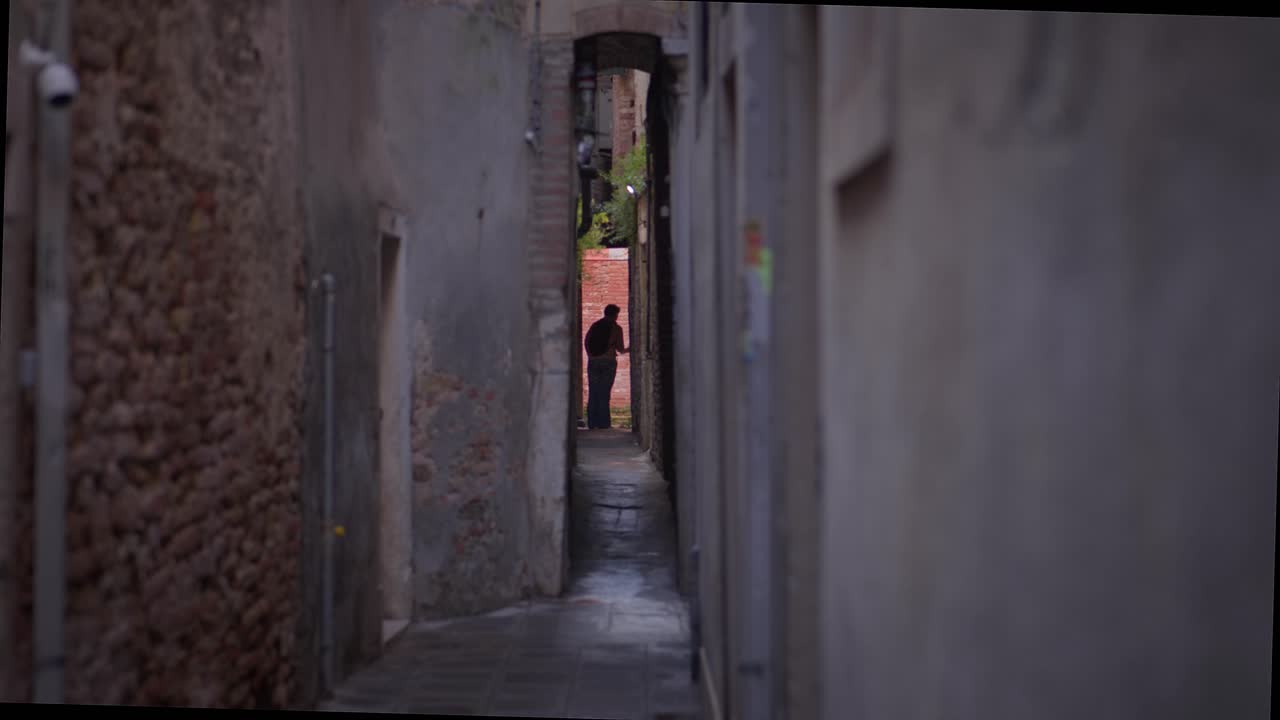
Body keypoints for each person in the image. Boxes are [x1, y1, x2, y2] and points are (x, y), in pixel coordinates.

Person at [584, 304, 628, 430]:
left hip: (593, 362)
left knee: (593, 392)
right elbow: (620, 349)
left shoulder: (595, 325)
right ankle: (604, 424)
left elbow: (586, 342)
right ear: (615, 315)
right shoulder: (616, 328)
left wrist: (592, 356)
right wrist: (630, 349)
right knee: (604, 392)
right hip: (608, 362)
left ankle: (592, 423)